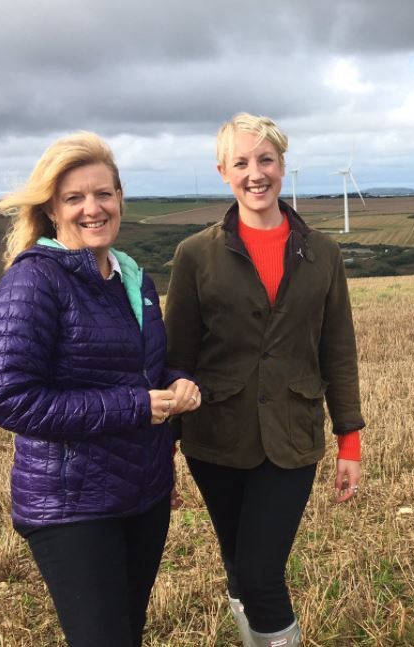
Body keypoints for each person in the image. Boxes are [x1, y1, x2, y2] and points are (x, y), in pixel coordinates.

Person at [0, 132, 201, 647]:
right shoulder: (35, 280)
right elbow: (10, 397)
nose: (92, 208)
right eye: (74, 198)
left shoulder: (132, 277)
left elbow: (142, 371)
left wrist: (177, 384)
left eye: (103, 193)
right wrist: (134, 406)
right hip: (71, 502)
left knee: (128, 631)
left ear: (120, 198)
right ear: (53, 211)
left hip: (141, 493)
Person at [165, 113, 365, 647]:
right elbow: (175, 359)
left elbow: (338, 351)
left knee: (260, 573)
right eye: (242, 162)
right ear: (223, 172)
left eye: (266, 160)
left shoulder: (323, 253)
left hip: (292, 438)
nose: (256, 173)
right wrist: (162, 450)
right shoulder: (195, 255)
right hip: (215, 439)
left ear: (282, 164)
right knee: (237, 563)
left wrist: (351, 441)